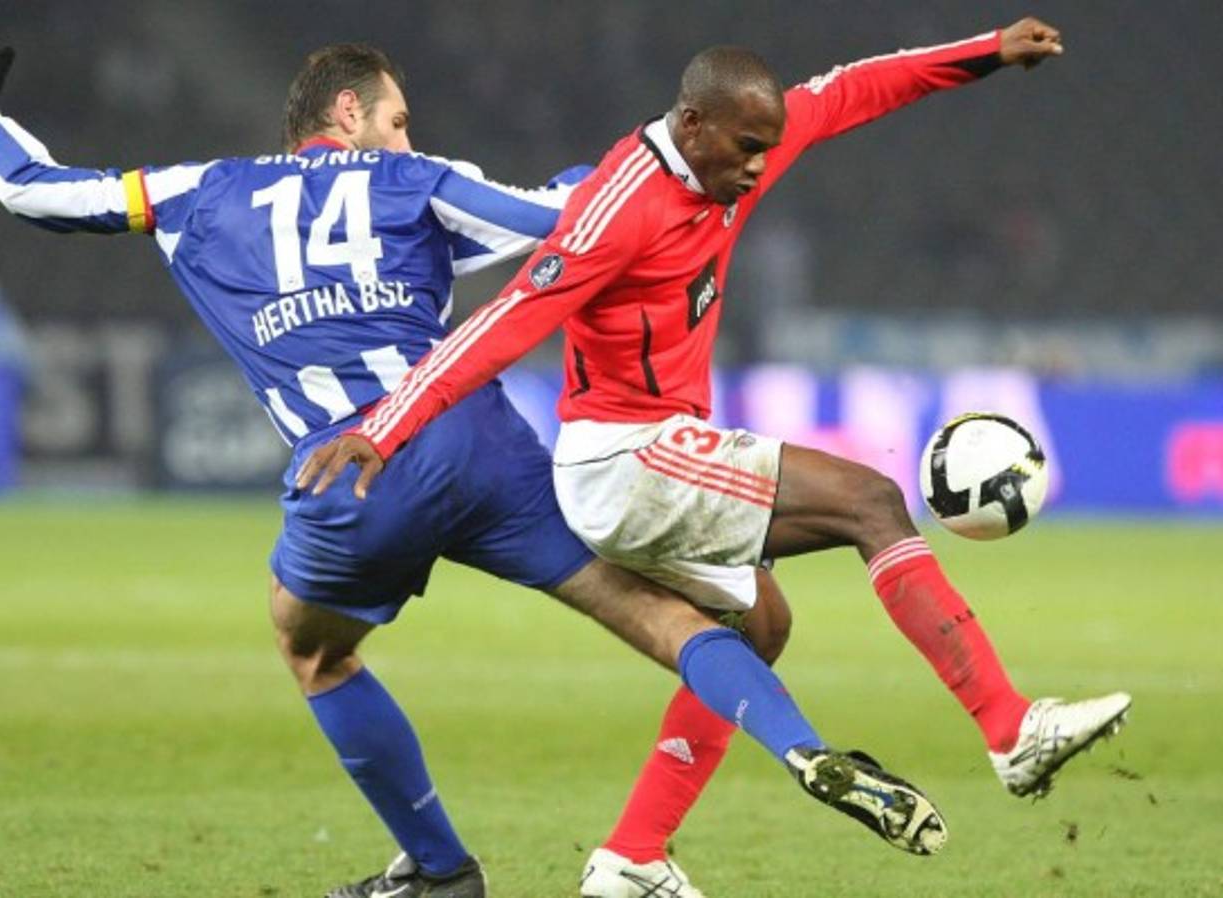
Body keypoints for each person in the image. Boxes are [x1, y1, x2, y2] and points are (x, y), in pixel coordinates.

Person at [0, 43, 951, 898]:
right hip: (477, 442)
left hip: (351, 476)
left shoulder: (194, 191)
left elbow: (33, 191)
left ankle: (442, 874)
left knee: (312, 645)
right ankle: (805, 750)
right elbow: (565, 215)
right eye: (398, 118)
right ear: (347, 116)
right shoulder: (414, 181)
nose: (409, 135)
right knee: (662, 616)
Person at [297, 18, 1133, 898]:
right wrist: (385, 427)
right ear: (691, 124)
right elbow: (501, 324)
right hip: (622, 458)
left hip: (663, 446)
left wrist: (986, 52)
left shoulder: (744, 143)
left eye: (767, 150)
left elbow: (852, 89)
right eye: (742, 150)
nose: (755, 170)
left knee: (759, 628)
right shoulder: (617, 207)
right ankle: (1009, 730)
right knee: (870, 501)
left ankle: (633, 857)